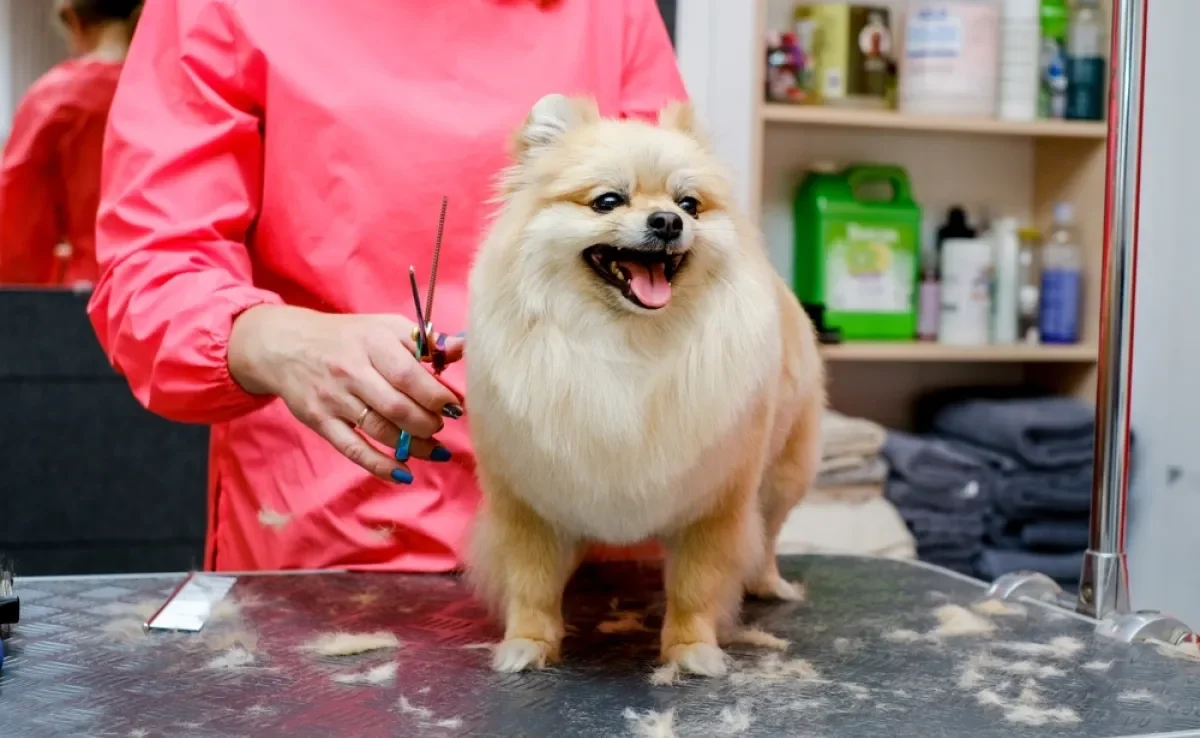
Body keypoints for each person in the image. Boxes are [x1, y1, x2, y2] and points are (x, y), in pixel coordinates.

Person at [88, 0, 687, 572]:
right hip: (334, 542)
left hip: (589, 533)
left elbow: (682, 232)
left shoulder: (609, 11)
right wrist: (276, 340)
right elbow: (152, 272)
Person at [0, 0, 142, 286]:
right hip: (172, 295)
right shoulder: (178, 91)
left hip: (84, 296)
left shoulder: (55, 99)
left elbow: (16, 236)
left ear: (74, 21)